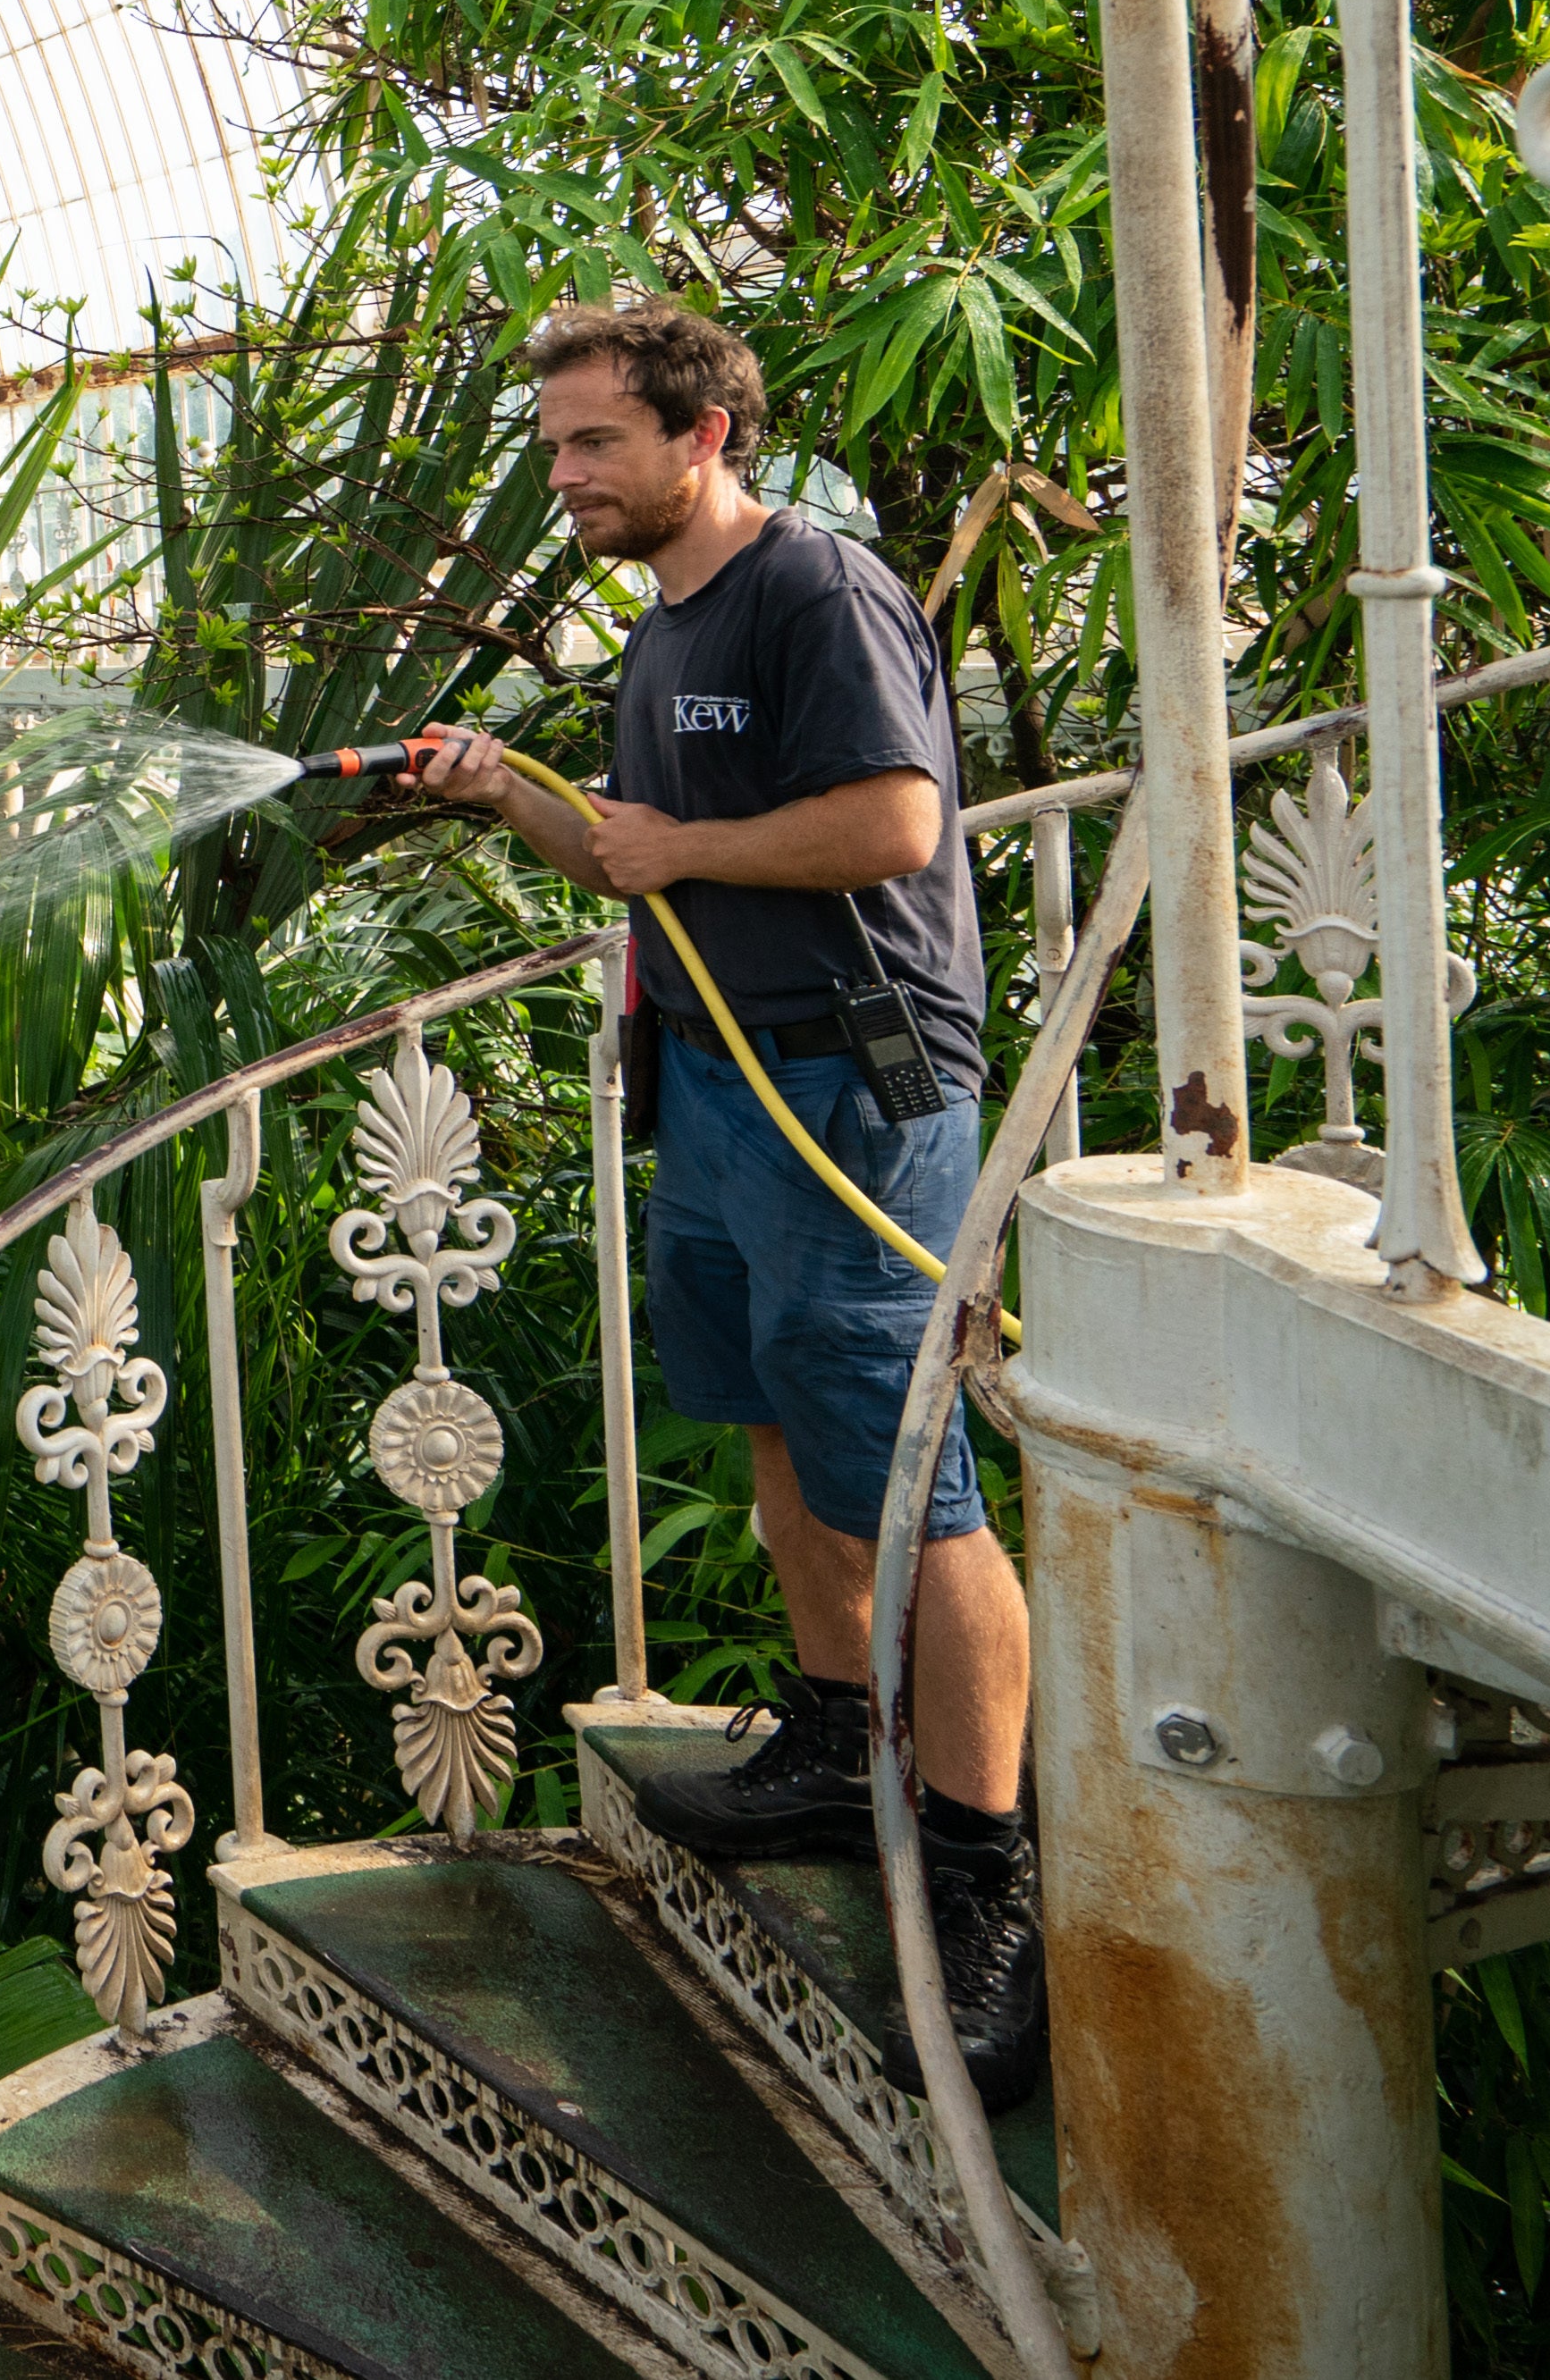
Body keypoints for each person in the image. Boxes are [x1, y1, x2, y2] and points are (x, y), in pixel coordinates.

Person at [396, 298, 1044, 2110]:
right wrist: (506, 794)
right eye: (555, 452)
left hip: (847, 1082)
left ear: (703, 436)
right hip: (714, 1083)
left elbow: (895, 827)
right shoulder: (662, 633)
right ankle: (843, 1748)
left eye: (594, 445)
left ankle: (993, 1873)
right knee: (768, 1412)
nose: (567, 480)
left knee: (911, 1469)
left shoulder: (811, 591)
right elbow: (632, 855)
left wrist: (679, 847)